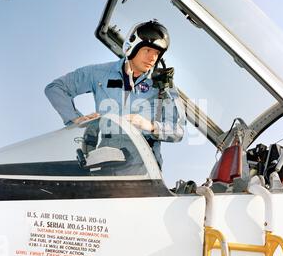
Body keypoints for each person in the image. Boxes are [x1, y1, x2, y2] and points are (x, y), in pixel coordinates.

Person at [45, 20, 185, 169]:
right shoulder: (99, 73)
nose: (152, 58)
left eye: (157, 53)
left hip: (143, 170)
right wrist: (75, 120)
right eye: (148, 50)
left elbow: (178, 131)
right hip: (106, 164)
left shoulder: (163, 87)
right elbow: (55, 88)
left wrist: (150, 126)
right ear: (133, 46)